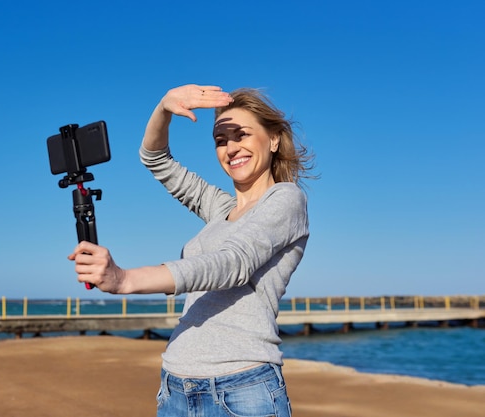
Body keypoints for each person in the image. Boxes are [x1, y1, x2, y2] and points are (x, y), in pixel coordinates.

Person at [68, 84, 314, 417]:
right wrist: (164, 108)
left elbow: (232, 264)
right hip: (176, 386)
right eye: (221, 140)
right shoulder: (220, 210)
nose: (230, 148)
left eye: (241, 135)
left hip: (240, 389)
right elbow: (155, 159)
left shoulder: (285, 200)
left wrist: (125, 279)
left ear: (273, 139)